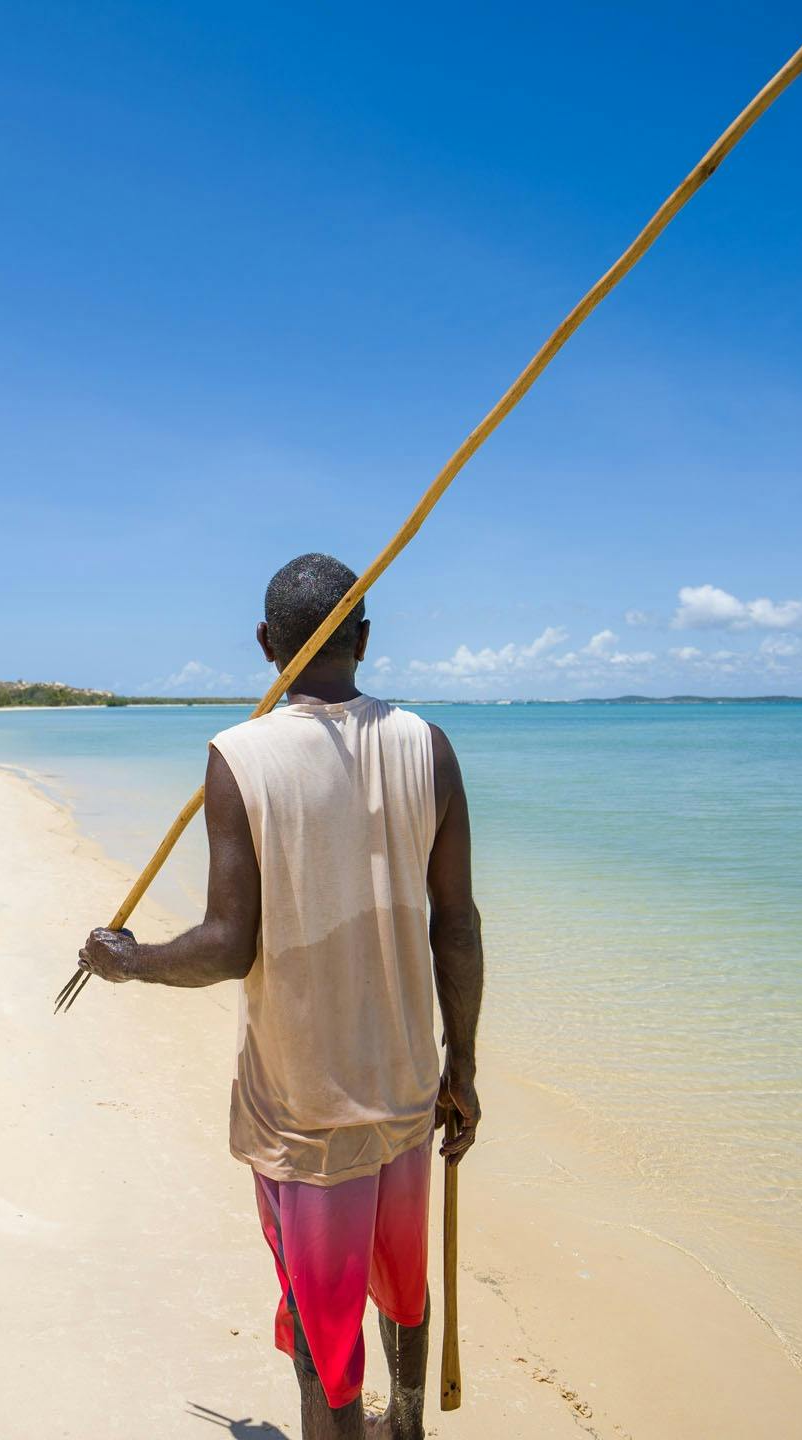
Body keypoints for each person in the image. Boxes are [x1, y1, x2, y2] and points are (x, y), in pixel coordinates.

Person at [78, 552, 484, 1440]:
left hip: (303, 1101)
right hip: (409, 1080)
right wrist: (466, 1066)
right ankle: (406, 1426)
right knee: (400, 1281)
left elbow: (227, 946)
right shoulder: (431, 746)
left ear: (267, 645)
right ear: (365, 641)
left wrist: (128, 959)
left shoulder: (240, 757)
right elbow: (456, 926)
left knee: (318, 1318)